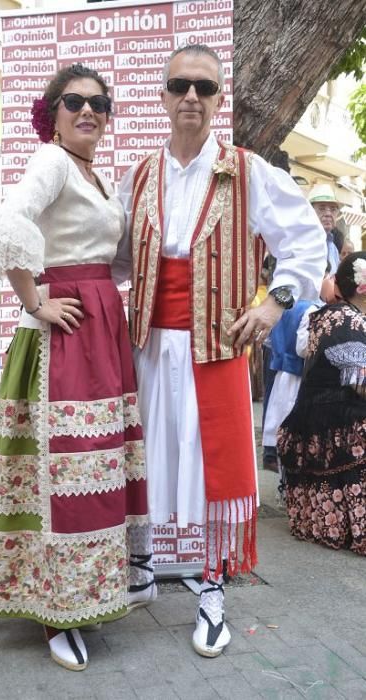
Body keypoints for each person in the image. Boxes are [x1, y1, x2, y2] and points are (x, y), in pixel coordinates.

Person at [116, 43, 327, 658]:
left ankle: (212, 585)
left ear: (217, 99)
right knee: (148, 454)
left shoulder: (248, 169)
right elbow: (119, 258)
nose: (191, 97)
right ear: (162, 94)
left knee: (215, 465)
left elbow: (305, 242)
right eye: (180, 85)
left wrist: (272, 304)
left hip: (218, 347)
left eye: (204, 88)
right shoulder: (138, 176)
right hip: (150, 344)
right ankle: (143, 565)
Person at [0, 64, 149, 672]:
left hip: (100, 326)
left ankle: (89, 594)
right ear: (53, 111)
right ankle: (54, 610)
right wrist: (33, 300)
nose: (89, 111)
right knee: (62, 473)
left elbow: (109, 259)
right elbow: (9, 223)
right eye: (75, 101)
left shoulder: (95, 174)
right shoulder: (49, 161)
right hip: (63, 337)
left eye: (100, 102)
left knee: (94, 468)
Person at [278, 252, 366, 555]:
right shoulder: (349, 320)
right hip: (336, 419)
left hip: (317, 417)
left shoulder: (333, 313)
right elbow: (358, 383)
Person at [262, 266, 334, 484]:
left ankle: (285, 480)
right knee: (295, 427)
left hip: (281, 374)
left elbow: (267, 340)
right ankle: (294, 485)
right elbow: (304, 347)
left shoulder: (281, 306)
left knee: (281, 422)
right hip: (298, 375)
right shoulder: (310, 309)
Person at [308, 184, 342, 274]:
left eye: (333, 209)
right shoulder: (302, 241)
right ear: (309, 211)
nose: (328, 214)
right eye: (322, 208)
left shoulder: (333, 248)